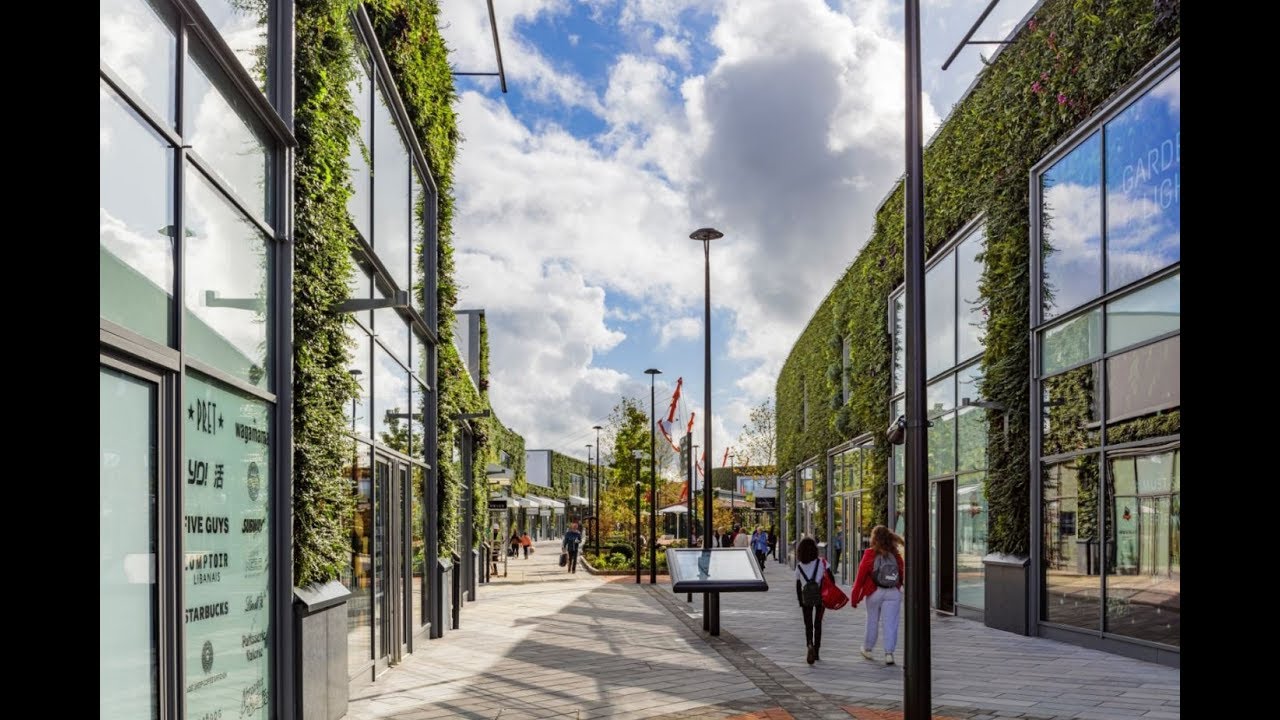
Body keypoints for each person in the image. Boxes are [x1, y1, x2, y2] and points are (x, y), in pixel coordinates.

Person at [851, 524, 905, 666]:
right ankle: (889, 654)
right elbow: (902, 573)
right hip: (893, 592)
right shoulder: (895, 554)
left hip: (874, 592)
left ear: (874, 538)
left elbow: (860, 577)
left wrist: (855, 597)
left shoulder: (869, 554)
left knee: (872, 621)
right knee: (890, 624)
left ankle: (868, 649)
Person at [794, 536, 831, 664]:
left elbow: (798, 586)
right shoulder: (822, 563)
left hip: (806, 598)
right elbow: (831, 579)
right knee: (818, 624)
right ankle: (817, 651)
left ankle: (809, 644)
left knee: (808, 625)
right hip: (820, 597)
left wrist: (800, 601)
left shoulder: (799, 567)